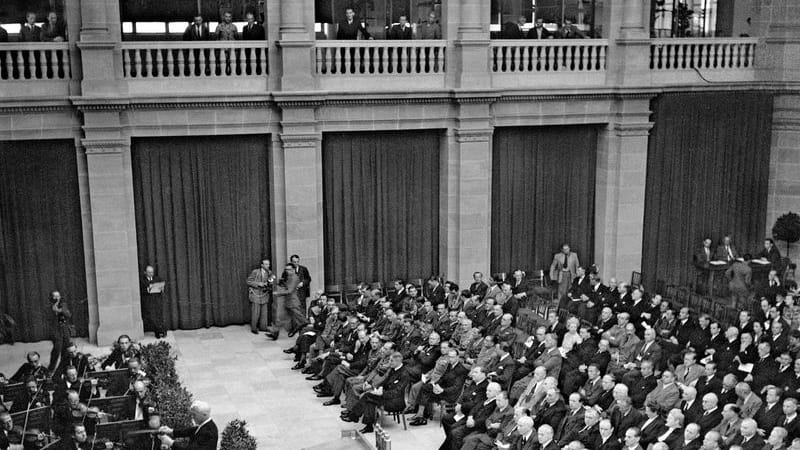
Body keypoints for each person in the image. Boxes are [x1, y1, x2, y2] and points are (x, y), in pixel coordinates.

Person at [267, 263, 307, 340]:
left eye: (288, 269)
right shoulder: (289, 277)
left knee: (302, 320)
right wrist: (282, 284)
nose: (287, 271)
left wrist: (278, 293)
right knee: (281, 318)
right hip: (288, 302)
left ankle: (306, 335)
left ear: (293, 270)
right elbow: (287, 287)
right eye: (286, 269)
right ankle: (274, 332)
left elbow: (290, 290)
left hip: (293, 302)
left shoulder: (295, 278)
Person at [246, 258, 274, 334]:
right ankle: (254, 328)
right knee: (255, 312)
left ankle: (263, 327)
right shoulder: (255, 272)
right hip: (256, 294)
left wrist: (270, 283)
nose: (268, 266)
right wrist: (259, 284)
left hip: (265, 294)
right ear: (262, 265)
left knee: (264, 313)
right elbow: (248, 281)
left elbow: (271, 282)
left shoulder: (270, 273)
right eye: (266, 264)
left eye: (268, 264)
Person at [48, 290, 73, 373]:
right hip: (55, 330)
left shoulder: (63, 305)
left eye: (58, 296)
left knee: (65, 349)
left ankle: (63, 367)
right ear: (51, 297)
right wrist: (54, 310)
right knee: (57, 348)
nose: (56, 298)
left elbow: (69, 315)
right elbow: (48, 318)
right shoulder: (49, 306)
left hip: (64, 329)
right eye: (54, 296)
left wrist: (61, 310)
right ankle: (51, 369)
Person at [141, 265, 166, 338]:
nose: (151, 274)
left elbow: (162, 287)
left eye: (152, 272)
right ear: (145, 272)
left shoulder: (157, 279)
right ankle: (158, 331)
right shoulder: (142, 280)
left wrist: (162, 288)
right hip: (148, 301)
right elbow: (142, 290)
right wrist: (148, 289)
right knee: (152, 317)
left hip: (157, 300)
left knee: (159, 316)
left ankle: (161, 331)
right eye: (149, 272)